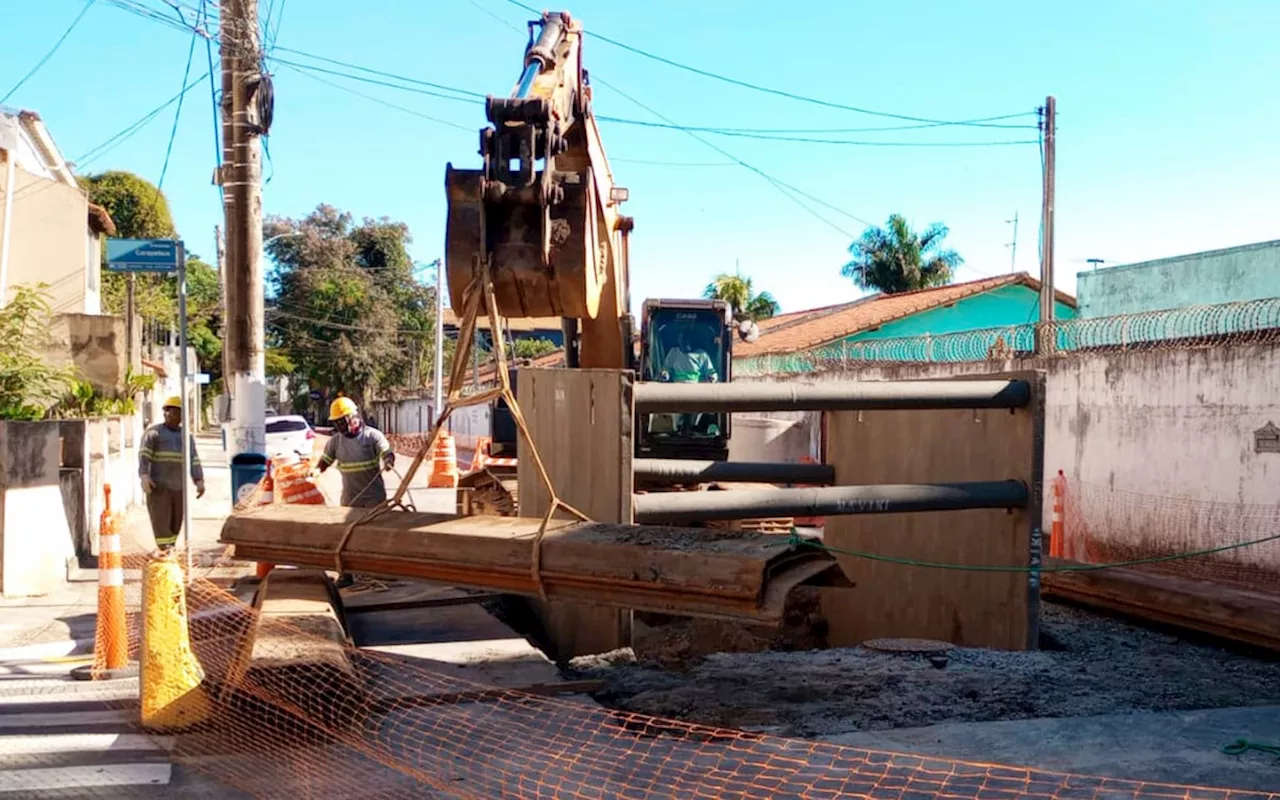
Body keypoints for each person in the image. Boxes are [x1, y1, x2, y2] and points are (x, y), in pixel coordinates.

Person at [139, 395, 205, 552]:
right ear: (165, 413)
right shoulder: (153, 434)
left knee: (176, 522)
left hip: (178, 488)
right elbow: (144, 456)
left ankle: (170, 548)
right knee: (161, 522)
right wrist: (144, 476)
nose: (174, 416)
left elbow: (193, 459)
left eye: (178, 412)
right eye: (171, 412)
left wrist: (199, 480)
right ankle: (165, 550)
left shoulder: (186, 437)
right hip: (159, 488)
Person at [317, 397, 395, 508]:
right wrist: (316, 471)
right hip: (350, 502)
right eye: (336, 423)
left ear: (354, 417)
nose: (340, 426)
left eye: (343, 421)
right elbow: (325, 461)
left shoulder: (373, 436)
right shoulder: (335, 442)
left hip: (374, 502)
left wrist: (388, 461)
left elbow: (387, 452)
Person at [659, 328, 719, 433]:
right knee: (676, 414)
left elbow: (711, 371)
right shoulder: (673, 352)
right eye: (681, 340)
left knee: (693, 413)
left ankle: (692, 428)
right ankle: (677, 429)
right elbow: (666, 368)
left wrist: (712, 377)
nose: (684, 343)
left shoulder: (702, 355)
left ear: (691, 340)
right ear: (678, 341)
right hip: (676, 390)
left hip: (696, 390)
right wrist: (665, 374)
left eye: (686, 340)